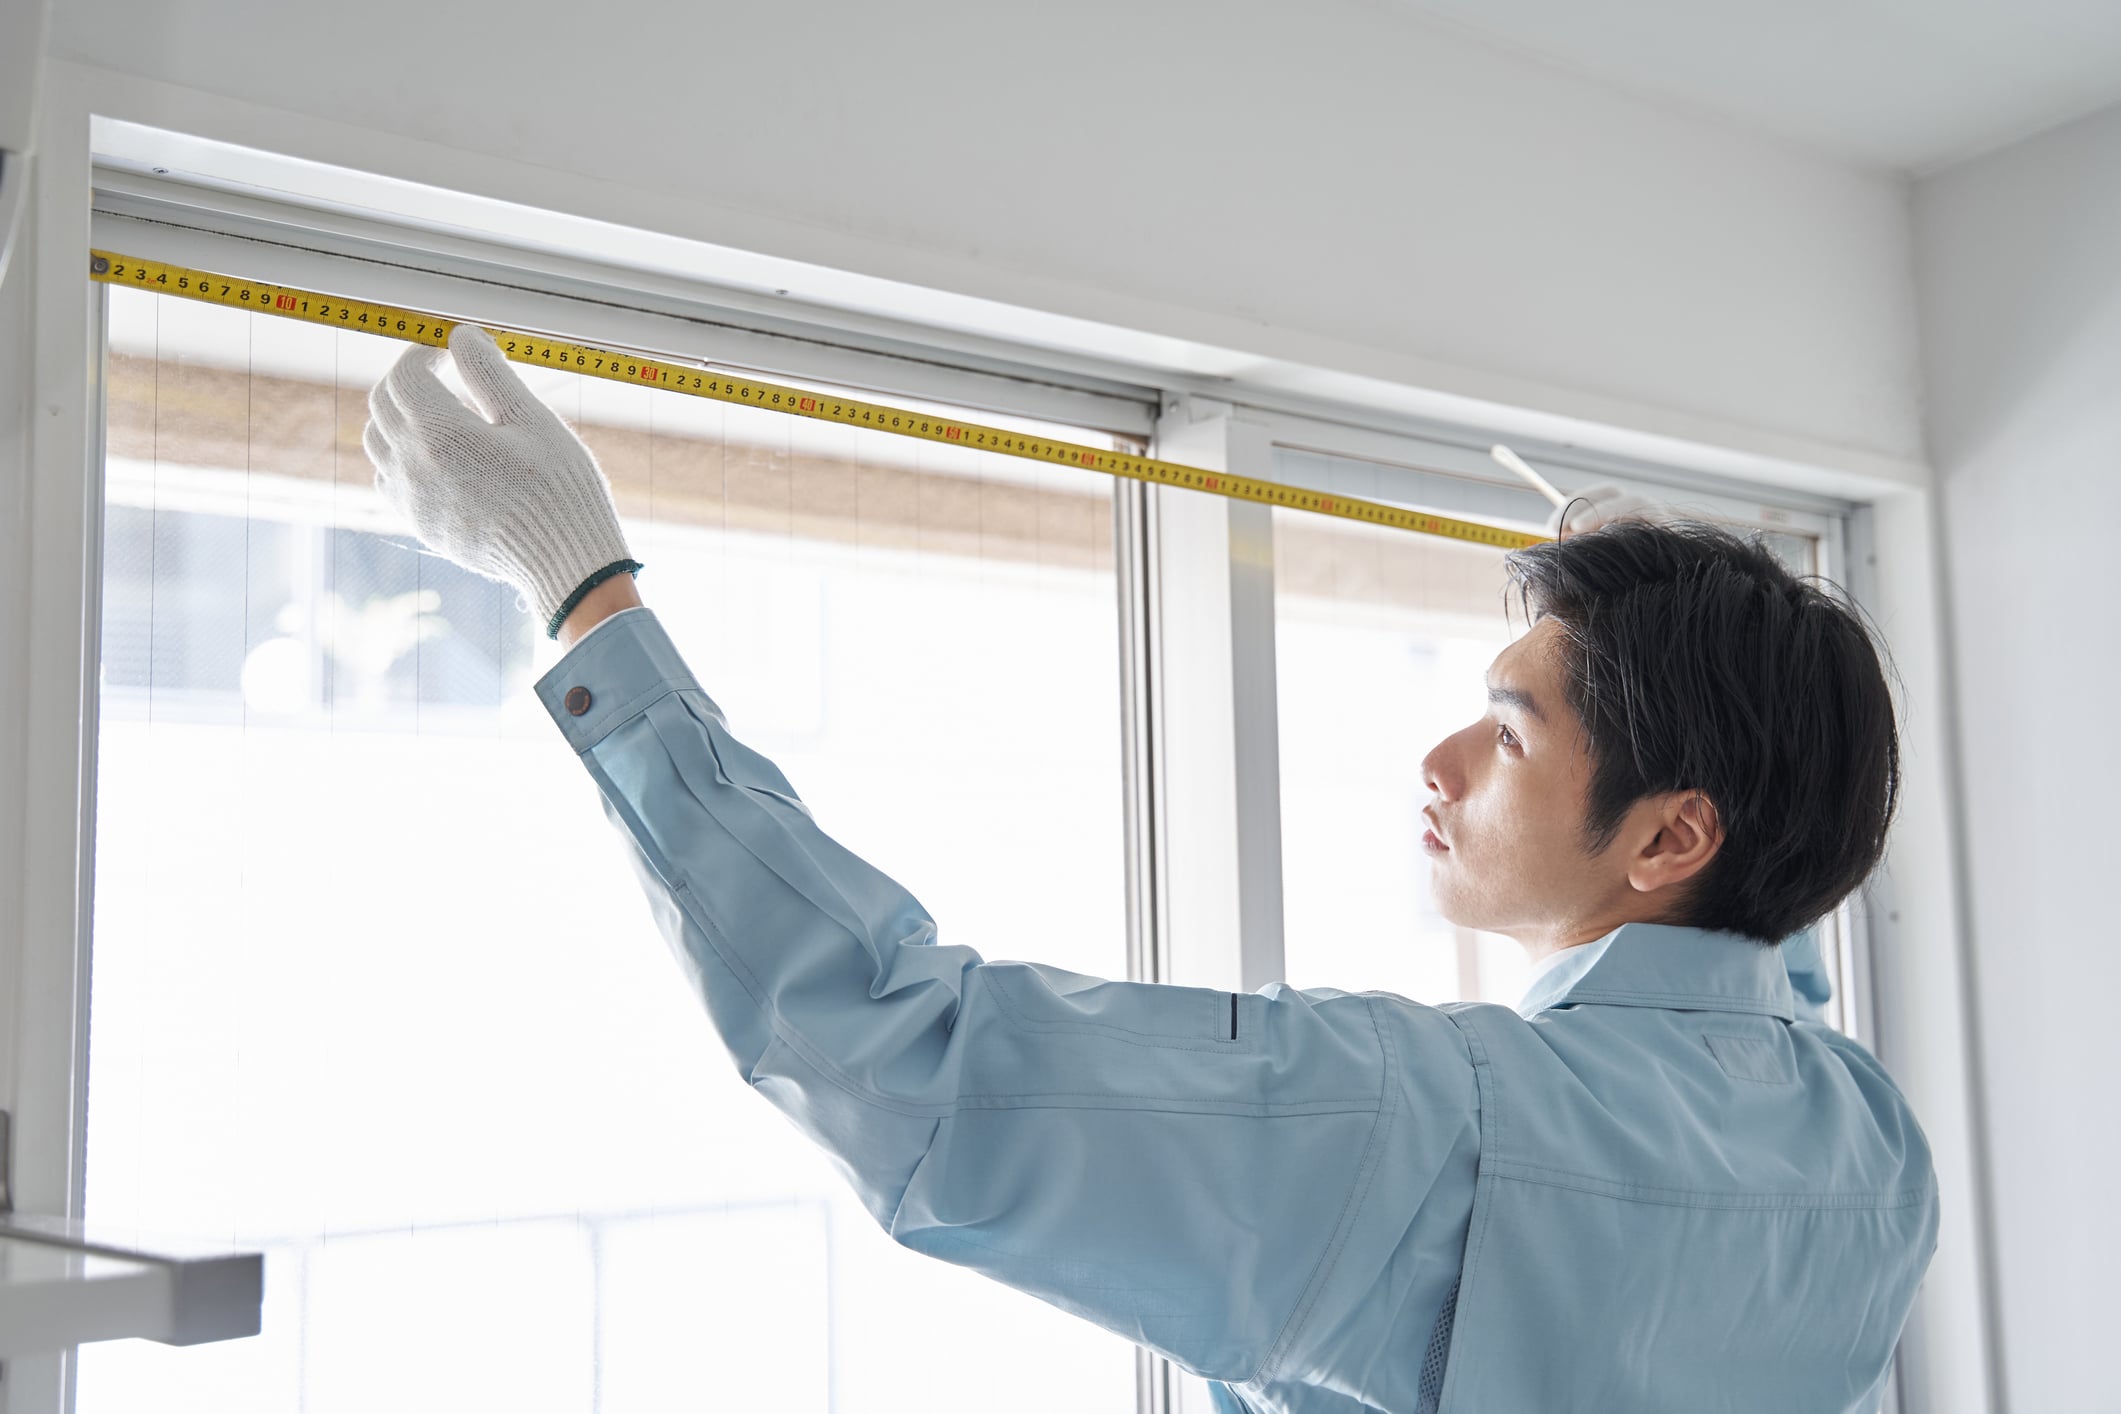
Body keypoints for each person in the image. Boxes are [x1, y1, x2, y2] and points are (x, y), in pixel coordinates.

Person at [364, 324, 1937, 1414]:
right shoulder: (1868, 1146)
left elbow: (911, 1064)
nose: (1440, 762)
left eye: (1509, 732)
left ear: (1672, 834)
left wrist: (581, 592)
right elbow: (1758, 949)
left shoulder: (1425, 1130)